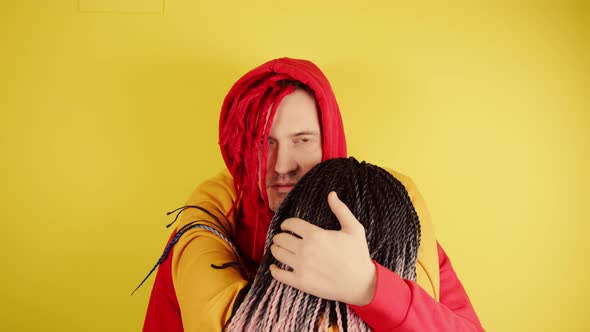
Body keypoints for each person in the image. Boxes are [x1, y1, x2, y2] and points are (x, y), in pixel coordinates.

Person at [142, 57, 485, 331]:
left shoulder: (395, 228)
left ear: (329, 143)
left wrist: (369, 286)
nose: (281, 165)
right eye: (264, 142)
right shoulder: (198, 239)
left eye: (302, 140)